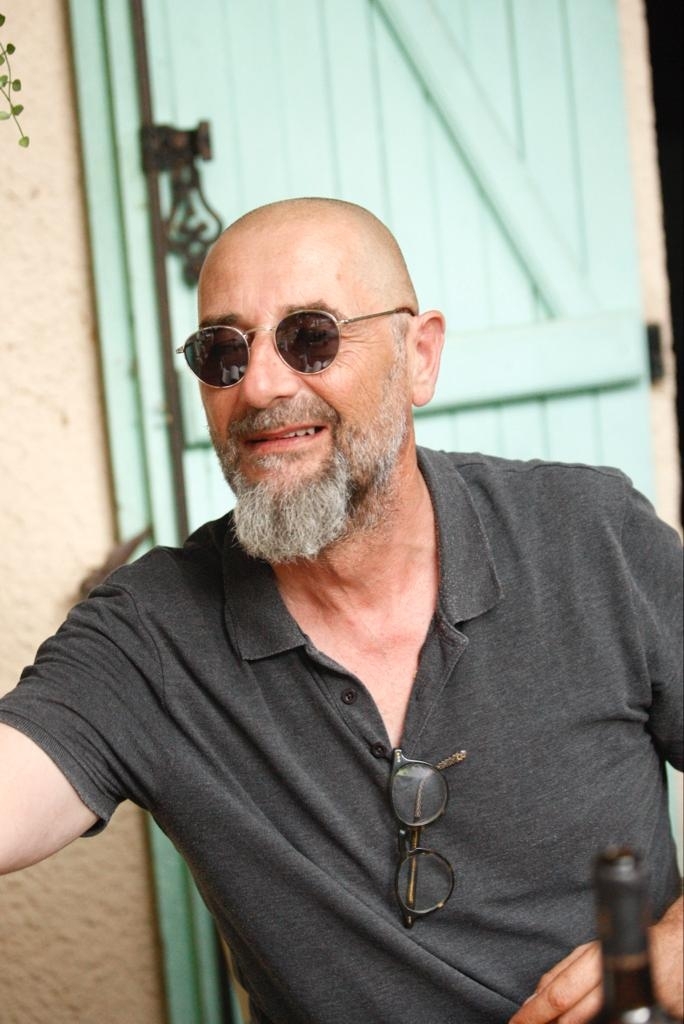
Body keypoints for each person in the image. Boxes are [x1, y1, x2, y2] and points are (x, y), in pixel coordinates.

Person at [0, 198, 681, 1024]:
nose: (260, 384)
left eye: (311, 336)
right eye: (223, 351)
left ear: (419, 356)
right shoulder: (151, 631)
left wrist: (677, 947)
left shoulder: (591, 535)